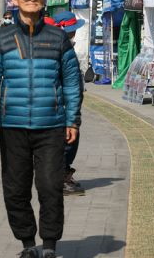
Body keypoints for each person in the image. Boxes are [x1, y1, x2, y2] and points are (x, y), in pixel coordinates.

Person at [0, 0, 82, 258]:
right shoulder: (2, 38)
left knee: (50, 187)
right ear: (15, 0)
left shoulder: (58, 38)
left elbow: (72, 81)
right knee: (15, 189)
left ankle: (49, 244)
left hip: (51, 126)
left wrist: (72, 119)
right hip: (12, 126)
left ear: (44, 0)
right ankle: (27, 244)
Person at [46, 11, 86, 197]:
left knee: (70, 141)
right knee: (67, 142)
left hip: (68, 104)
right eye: (72, 29)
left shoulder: (63, 45)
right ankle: (60, 180)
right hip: (62, 105)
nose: (75, 32)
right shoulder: (58, 49)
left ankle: (63, 175)